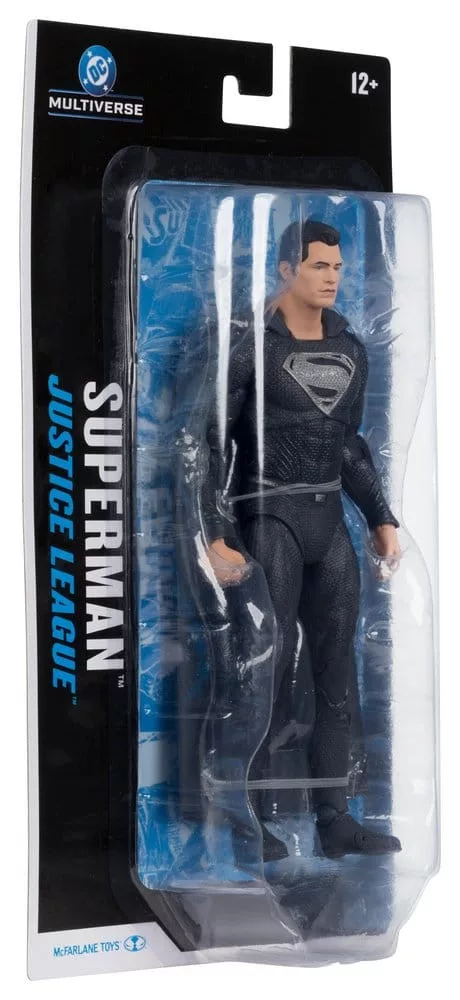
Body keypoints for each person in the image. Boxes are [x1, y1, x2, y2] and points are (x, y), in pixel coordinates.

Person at [198, 218, 402, 861]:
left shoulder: (350, 349)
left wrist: (381, 517)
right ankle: (248, 817)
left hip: (328, 526)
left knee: (337, 673)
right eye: (318, 265)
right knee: (267, 667)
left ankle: (334, 818)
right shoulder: (252, 346)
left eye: (337, 267)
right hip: (270, 520)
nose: (331, 277)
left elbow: (350, 446)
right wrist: (216, 534)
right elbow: (209, 444)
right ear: (287, 269)